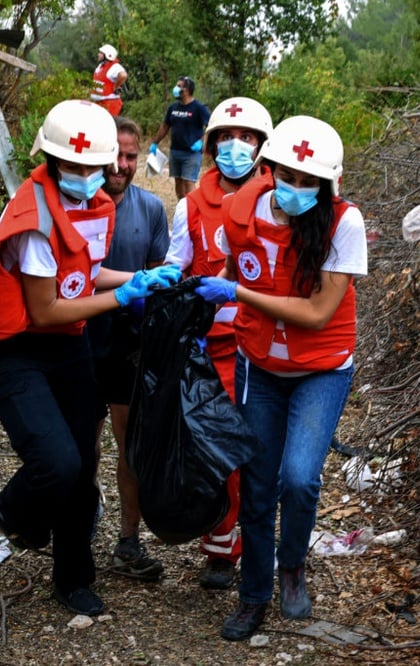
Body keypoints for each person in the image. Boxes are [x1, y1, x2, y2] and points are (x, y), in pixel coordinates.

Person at [0, 99, 180, 617]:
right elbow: (45, 310)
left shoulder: (91, 206)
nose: (86, 175)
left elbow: (82, 275)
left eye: (94, 167)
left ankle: (72, 577)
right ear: (51, 160)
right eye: (75, 166)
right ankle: (10, 508)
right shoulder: (33, 217)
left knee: (81, 465)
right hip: (11, 348)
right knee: (58, 462)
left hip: (65, 343)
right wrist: (124, 296)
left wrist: (137, 278)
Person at [193, 116, 368, 640]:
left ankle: (292, 566)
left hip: (321, 367)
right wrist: (207, 292)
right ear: (269, 169)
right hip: (260, 364)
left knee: (299, 476)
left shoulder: (344, 224)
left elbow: (317, 313)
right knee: (258, 481)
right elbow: (237, 267)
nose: (294, 188)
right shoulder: (241, 207)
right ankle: (253, 596)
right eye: (286, 176)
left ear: (328, 184)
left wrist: (236, 295)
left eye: (307, 181)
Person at [165, 96, 273, 591]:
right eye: (225, 138)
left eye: (246, 137)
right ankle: (220, 549)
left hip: (268, 345)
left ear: (262, 146)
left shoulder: (280, 201)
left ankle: (261, 548)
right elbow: (175, 263)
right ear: (210, 147)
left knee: (263, 452)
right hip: (213, 348)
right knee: (217, 449)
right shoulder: (191, 205)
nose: (235, 147)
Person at [87, 116, 171, 580]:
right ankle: (75, 529)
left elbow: (158, 277)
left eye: (131, 156)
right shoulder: (78, 206)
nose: (121, 165)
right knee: (83, 444)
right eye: (115, 155)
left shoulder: (151, 209)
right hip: (77, 337)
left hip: (126, 343)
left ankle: (127, 541)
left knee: (129, 446)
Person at [149, 76, 211, 200]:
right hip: (175, 151)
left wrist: (201, 142)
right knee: (178, 181)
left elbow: (210, 126)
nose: (176, 89)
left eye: (179, 86)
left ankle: (192, 208)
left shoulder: (199, 108)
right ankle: (181, 208)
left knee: (189, 181)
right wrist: (155, 143)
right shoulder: (173, 108)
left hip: (191, 153)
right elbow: (165, 126)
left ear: (187, 90)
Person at [90, 44, 127, 117]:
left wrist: (116, 86)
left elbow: (123, 75)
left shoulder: (114, 67)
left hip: (110, 103)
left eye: (101, 53)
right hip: (100, 102)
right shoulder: (101, 66)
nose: (98, 54)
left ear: (108, 55)